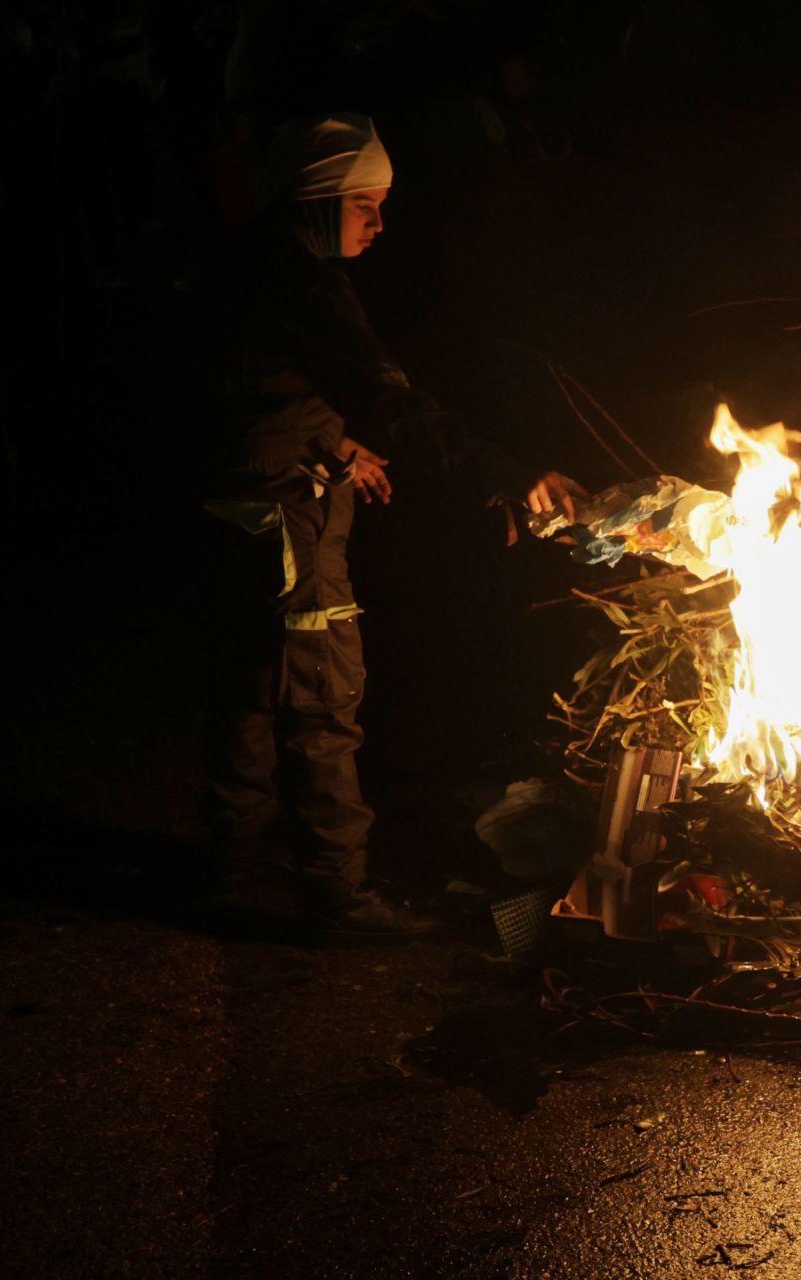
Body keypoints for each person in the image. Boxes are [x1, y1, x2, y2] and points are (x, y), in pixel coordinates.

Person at [201, 113, 588, 943]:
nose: (380, 223)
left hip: (243, 508)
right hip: (287, 525)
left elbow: (249, 378)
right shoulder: (305, 283)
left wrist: (324, 433)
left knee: (245, 683)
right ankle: (338, 898)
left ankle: (226, 872)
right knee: (322, 701)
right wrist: (511, 474)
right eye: (363, 204)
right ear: (315, 201)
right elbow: (392, 400)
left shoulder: (246, 261)